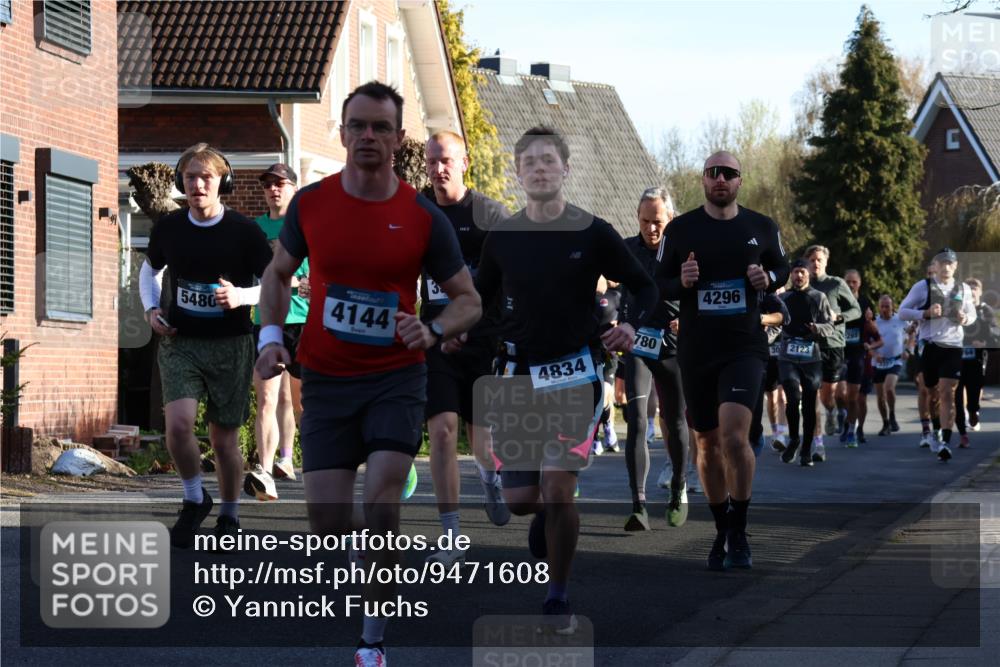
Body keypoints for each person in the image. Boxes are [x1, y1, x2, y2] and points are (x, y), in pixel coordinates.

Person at [255, 82, 481, 666]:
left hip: (395, 378)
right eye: (358, 126)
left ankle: (372, 641)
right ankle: (379, 548)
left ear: (398, 139)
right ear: (342, 133)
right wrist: (273, 338)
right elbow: (279, 275)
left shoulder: (422, 216)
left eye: (381, 127)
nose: (368, 137)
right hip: (327, 379)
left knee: (382, 499)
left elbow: (468, 300)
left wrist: (431, 331)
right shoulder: (311, 204)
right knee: (328, 525)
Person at [451, 126, 657, 633]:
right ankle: (546, 512)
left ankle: (557, 596)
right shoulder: (503, 236)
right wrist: (452, 329)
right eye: (530, 162)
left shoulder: (592, 231)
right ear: (519, 173)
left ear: (565, 169)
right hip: (518, 375)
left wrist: (631, 324)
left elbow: (644, 285)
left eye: (549, 160)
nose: (540, 169)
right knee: (525, 502)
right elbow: (479, 298)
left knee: (559, 489)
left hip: (576, 372)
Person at [656, 151, 789, 571]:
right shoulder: (680, 230)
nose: (720, 179)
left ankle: (740, 530)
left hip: (744, 347)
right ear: (702, 180)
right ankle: (720, 528)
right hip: (697, 350)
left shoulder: (761, 227)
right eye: (713, 173)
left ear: (739, 182)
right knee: (707, 443)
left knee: (734, 437)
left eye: (728, 174)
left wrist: (768, 280)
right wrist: (683, 282)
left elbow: (783, 268)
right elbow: (657, 285)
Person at [140, 143, 273, 547]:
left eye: (206, 177)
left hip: (230, 344)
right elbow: (150, 271)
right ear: (182, 181)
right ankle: (194, 497)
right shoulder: (170, 228)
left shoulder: (244, 232)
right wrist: (150, 310)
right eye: (190, 177)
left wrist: (242, 297)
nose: (197, 184)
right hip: (181, 341)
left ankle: (230, 515)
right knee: (177, 426)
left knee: (223, 440)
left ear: (222, 183)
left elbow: (273, 284)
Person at [419, 131, 511, 566]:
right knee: (442, 430)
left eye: (446, 161)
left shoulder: (491, 215)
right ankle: (452, 532)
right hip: (434, 337)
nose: (438, 169)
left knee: (482, 434)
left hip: (482, 338)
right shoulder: (417, 211)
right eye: (432, 161)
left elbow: (507, 284)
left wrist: (470, 326)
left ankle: (491, 476)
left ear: (465, 163)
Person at [619, 187, 688, 531]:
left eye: (657, 221)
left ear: (670, 219)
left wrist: (688, 317)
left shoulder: (683, 252)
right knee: (638, 421)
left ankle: (677, 486)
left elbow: (701, 291)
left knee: (674, 422)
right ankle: (639, 505)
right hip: (640, 346)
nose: (650, 228)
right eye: (645, 221)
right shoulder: (627, 250)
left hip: (674, 345)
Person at [244, 163, 308, 501]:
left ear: (294, 188)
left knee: (296, 401)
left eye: (281, 183)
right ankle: (265, 472)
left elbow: (312, 281)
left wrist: (296, 283)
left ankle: (292, 459)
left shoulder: (305, 228)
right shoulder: (255, 230)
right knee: (267, 397)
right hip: (265, 322)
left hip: (302, 323)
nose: (274, 189)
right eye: (268, 184)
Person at [899, 248, 977, 462]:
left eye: (950, 263)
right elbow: (902, 311)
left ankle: (945, 442)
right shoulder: (922, 287)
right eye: (942, 263)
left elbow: (972, 315)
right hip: (930, 346)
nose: (946, 267)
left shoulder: (963, 289)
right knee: (932, 392)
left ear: (955, 266)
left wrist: (964, 318)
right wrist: (924, 313)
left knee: (947, 392)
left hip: (953, 346)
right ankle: (935, 431)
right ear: (935, 266)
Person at [777, 259, 837, 465]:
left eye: (802, 272)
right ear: (791, 275)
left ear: (808, 274)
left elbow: (830, 325)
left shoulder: (819, 297)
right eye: (795, 272)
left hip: (811, 355)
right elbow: (775, 323)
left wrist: (817, 329)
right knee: (792, 397)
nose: (798, 276)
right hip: (788, 355)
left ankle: (806, 449)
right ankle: (793, 439)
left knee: (810, 402)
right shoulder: (784, 297)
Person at [804, 245, 860, 462]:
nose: (815, 263)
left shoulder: (836, 283)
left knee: (828, 394)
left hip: (833, 343)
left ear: (825, 262)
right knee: (813, 394)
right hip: (810, 345)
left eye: (819, 260)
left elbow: (855, 309)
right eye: (811, 260)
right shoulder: (803, 284)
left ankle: (832, 410)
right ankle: (818, 445)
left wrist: (838, 317)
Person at [838, 269, 881, 447]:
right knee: (839, 394)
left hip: (857, 354)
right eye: (847, 281)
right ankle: (843, 414)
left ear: (859, 283)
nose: (850, 284)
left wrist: (870, 324)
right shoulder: (837, 301)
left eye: (854, 282)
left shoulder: (864, 302)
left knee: (855, 397)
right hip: (839, 351)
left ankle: (853, 429)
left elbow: (877, 334)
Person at [955, 278, 998, 446]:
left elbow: (994, 334)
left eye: (975, 288)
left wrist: (983, 344)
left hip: (977, 360)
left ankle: (973, 412)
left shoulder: (985, 311)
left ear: (980, 292)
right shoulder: (957, 309)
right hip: (957, 359)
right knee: (957, 397)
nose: (972, 291)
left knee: (973, 397)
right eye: (969, 288)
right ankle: (962, 435)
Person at [873, 295, 908, 436]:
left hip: (895, 360)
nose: (885, 309)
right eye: (882, 306)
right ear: (879, 307)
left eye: (887, 306)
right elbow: (868, 343)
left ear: (892, 307)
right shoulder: (874, 322)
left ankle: (892, 414)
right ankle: (885, 423)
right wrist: (875, 355)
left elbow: (912, 334)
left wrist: (908, 350)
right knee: (880, 396)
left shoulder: (900, 320)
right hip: (878, 362)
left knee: (889, 388)